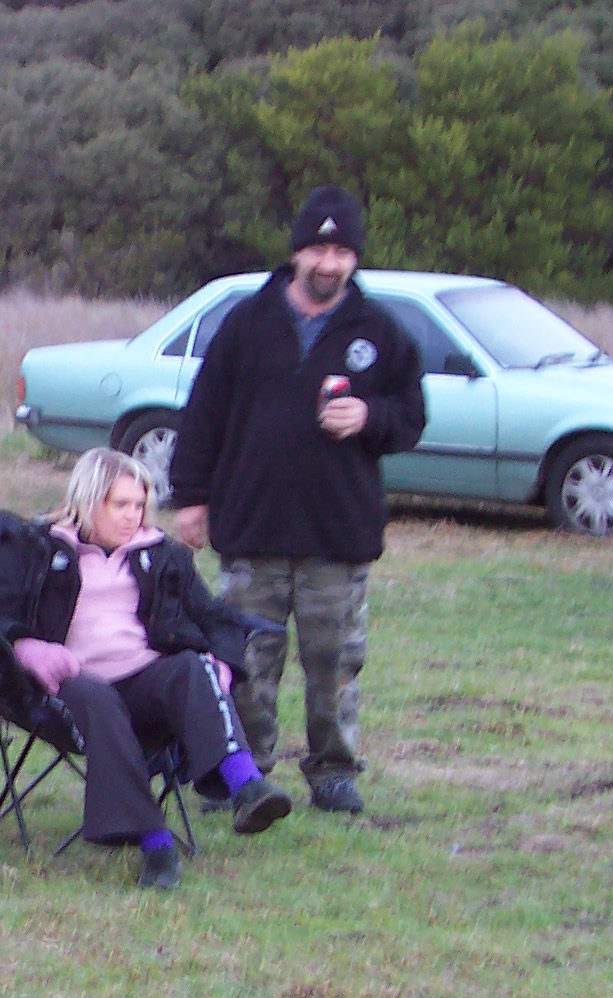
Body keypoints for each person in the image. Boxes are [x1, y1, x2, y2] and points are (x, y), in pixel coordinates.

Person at [168, 186, 426, 815]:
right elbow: (204, 413)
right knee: (244, 661)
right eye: (317, 250)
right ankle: (242, 772)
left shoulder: (381, 331)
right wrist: (192, 498)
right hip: (252, 525)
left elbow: (412, 417)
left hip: (338, 532)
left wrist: (369, 415)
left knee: (334, 663)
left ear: (354, 258)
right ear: (296, 252)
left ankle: (333, 772)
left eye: (341, 253)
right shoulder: (247, 322)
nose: (328, 263)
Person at [0, 448, 292, 888]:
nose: (132, 516)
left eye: (139, 505)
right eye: (120, 504)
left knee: (193, 668)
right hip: (65, 685)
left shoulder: (162, 554)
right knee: (97, 697)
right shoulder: (35, 547)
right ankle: (156, 844)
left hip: (145, 681)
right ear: (88, 501)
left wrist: (223, 662)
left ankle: (247, 787)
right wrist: (28, 648)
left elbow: (214, 617)